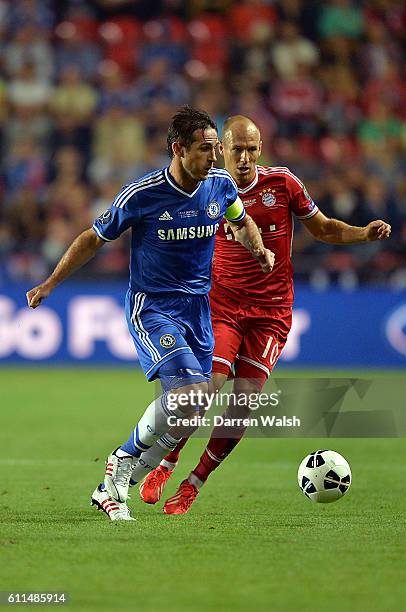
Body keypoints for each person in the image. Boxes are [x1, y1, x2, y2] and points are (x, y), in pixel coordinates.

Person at [26, 106, 275, 521]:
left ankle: (108, 490)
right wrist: (51, 282)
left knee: (189, 412)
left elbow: (242, 221)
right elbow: (92, 238)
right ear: (178, 149)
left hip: (199, 309)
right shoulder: (141, 195)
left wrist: (258, 247)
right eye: (205, 150)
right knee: (188, 397)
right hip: (154, 307)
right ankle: (118, 463)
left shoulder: (219, 186)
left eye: (216, 149)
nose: (214, 158)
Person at [136, 115, 392, 515]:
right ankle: (167, 462)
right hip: (221, 305)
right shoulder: (204, 189)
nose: (244, 157)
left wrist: (363, 234)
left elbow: (322, 229)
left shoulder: (283, 183)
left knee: (244, 402)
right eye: (236, 149)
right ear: (221, 148)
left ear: (260, 149)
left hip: (271, 312)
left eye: (251, 149)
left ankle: (194, 483)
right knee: (208, 387)